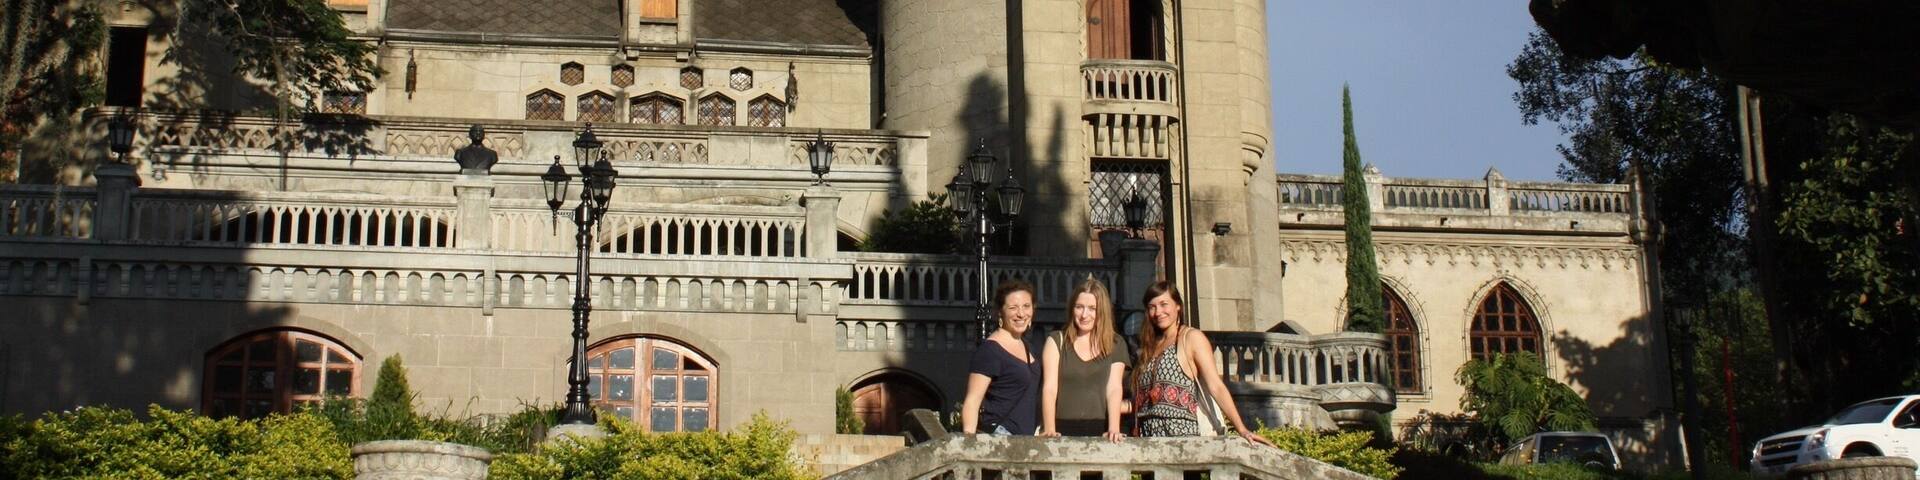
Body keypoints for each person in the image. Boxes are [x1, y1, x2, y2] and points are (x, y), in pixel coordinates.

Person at [1131, 281, 1276, 446]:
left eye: (1164, 304)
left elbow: (1216, 386)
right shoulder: (1149, 346)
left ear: (1178, 306)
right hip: (1147, 437)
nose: (1158, 312)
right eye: (1152, 307)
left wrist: (1241, 429)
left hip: (1180, 437)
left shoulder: (1190, 338)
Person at [1040, 278, 1128, 441]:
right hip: (1061, 429)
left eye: (1092, 308)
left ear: (1102, 311)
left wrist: (1114, 428)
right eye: (1079, 307)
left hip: (1100, 429)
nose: (1084, 314)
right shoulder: (1056, 341)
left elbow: (1114, 388)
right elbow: (1050, 388)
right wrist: (1050, 428)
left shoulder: (1116, 343)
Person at [961, 279, 1039, 435]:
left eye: (1026, 306)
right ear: (1000, 312)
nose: (1021, 313)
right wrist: (968, 443)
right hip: (1000, 435)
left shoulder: (1027, 346)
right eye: (1013, 308)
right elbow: (972, 401)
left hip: (1025, 439)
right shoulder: (990, 350)